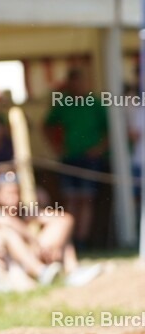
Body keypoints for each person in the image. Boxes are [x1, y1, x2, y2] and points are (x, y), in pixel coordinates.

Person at [44, 68, 109, 248]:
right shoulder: (63, 103)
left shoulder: (95, 103)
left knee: (86, 199)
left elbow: (110, 130)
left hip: (90, 159)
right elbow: (47, 125)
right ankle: (69, 239)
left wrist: (99, 149)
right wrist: (57, 147)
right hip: (70, 158)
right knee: (71, 199)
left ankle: (82, 240)